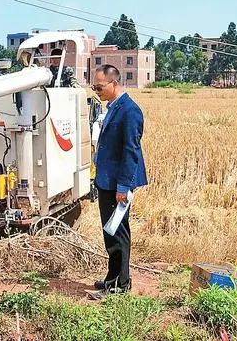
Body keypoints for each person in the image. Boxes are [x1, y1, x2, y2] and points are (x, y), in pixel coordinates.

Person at [89, 65, 147, 300]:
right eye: (94, 87)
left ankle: (119, 286)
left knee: (118, 234)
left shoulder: (130, 111)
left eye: (99, 87)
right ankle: (112, 278)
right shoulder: (113, 107)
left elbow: (131, 151)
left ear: (114, 83)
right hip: (107, 181)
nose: (96, 91)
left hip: (117, 184)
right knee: (110, 232)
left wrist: (123, 187)